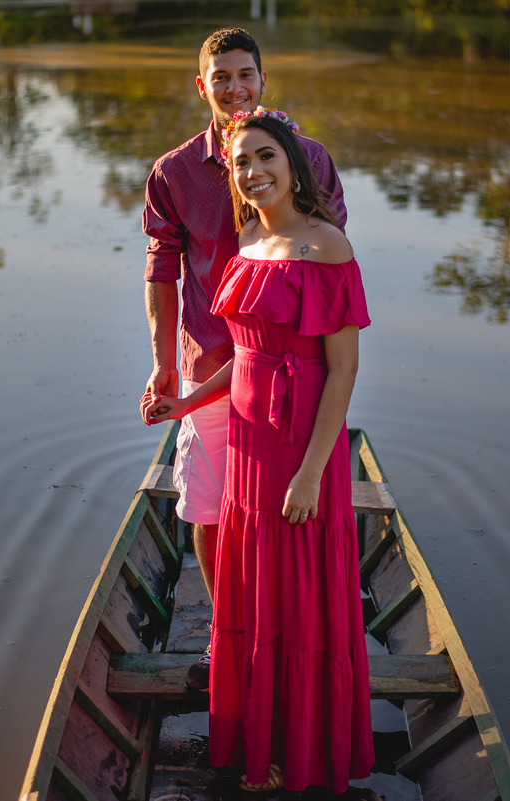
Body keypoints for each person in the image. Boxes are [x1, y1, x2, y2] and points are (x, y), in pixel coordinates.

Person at [142, 107, 374, 793]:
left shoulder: (327, 246)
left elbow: (344, 371)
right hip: (244, 441)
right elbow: (244, 357)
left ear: (294, 166)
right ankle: (260, 746)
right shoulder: (246, 237)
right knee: (250, 589)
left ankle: (303, 752)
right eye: (243, 161)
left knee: (296, 594)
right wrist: (185, 401)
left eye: (266, 157)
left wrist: (309, 475)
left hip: (300, 446)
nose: (254, 171)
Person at [141, 27, 347, 691]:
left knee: (291, 514)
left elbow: (330, 262)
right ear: (202, 86)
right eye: (220, 77)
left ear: (264, 81)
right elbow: (162, 270)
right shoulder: (174, 172)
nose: (234, 87)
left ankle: (293, 639)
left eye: (245, 75)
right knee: (207, 509)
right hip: (212, 366)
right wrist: (164, 365)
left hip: (294, 371)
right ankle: (227, 624)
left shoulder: (308, 157)